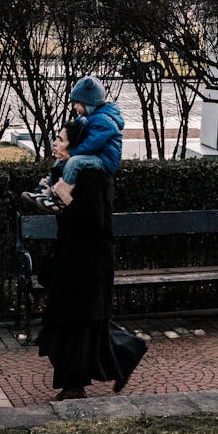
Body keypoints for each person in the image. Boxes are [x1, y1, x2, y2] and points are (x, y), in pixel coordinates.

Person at [35, 122, 147, 401]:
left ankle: (75, 386)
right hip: (72, 261)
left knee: (75, 327)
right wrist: (50, 194)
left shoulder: (93, 175)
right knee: (75, 327)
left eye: (60, 140)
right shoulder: (69, 171)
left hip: (87, 266)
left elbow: (93, 221)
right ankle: (126, 353)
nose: (55, 144)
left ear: (76, 146)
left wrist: (63, 198)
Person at [26, 75, 124, 211]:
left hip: (104, 160)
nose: (75, 106)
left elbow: (93, 144)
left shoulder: (104, 121)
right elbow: (76, 129)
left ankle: (60, 195)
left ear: (89, 103)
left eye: (78, 103)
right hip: (94, 156)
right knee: (62, 159)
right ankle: (46, 187)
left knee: (74, 161)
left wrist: (71, 153)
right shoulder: (91, 118)